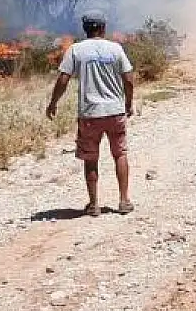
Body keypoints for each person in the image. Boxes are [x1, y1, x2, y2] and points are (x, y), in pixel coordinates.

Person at [46, 11, 136, 216]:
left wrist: (53, 103)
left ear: (85, 29)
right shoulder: (115, 48)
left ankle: (94, 205)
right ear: (103, 28)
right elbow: (129, 79)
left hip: (89, 114)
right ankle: (123, 201)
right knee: (120, 154)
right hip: (115, 112)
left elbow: (63, 79)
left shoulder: (76, 50)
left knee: (90, 158)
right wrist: (128, 103)